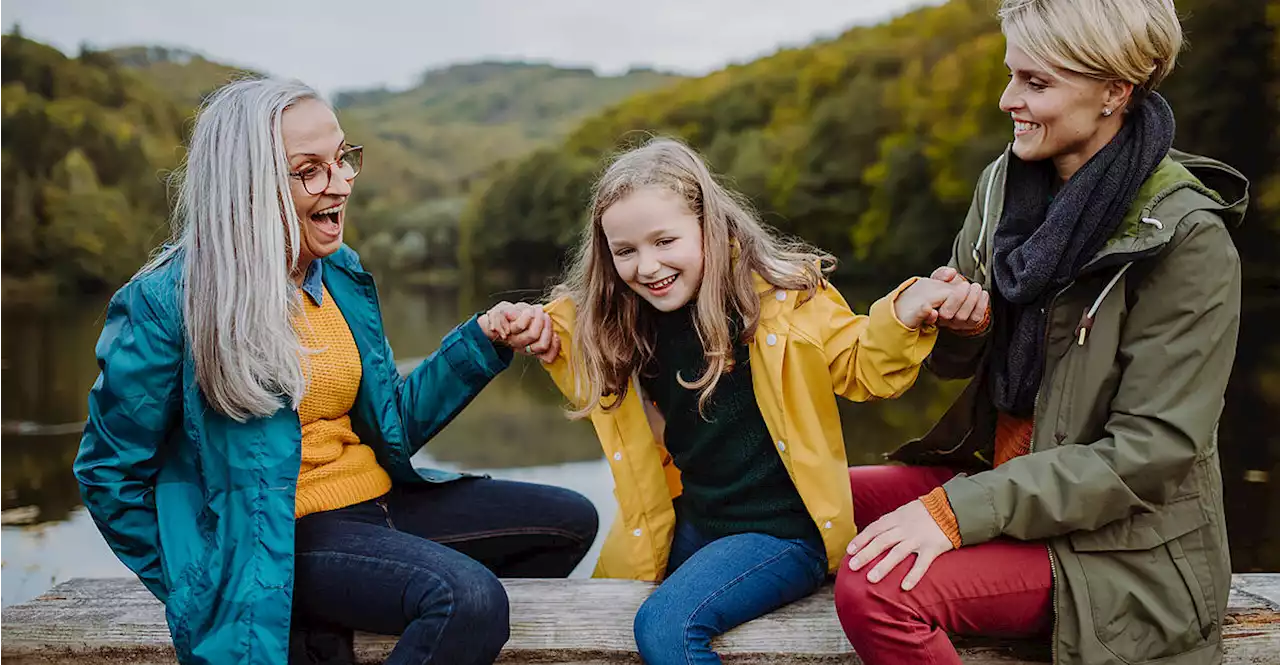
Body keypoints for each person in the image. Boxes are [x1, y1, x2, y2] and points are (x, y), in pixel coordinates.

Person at [72, 78, 598, 665]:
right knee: (467, 599)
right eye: (310, 170)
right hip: (279, 535)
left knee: (570, 522)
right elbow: (107, 475)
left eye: (343, 158)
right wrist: (203, 584)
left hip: (377, 504)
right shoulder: (171, 300)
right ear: (247, 183)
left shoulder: (338, 272)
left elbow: (390, 422)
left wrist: (481, 341)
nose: (341, 182)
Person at [833, 1, 1249, 664]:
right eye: (1010, 75)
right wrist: (962, 325)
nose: (1007, 101)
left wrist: (951, 514)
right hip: (1009, 482)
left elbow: (1149, 453)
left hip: (1120, 547)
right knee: (809, 497)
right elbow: (956, 367)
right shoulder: (1002, 186)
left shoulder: (1189, 238)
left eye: (1036, 83)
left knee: (876, 590)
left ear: (1116, 90)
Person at [528, 136, 982, 664]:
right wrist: (534, 331)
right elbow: (586, 371)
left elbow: (862, 366)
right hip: (693, 523)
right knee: (601, 609)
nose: (647, 266)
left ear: (709, 228)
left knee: (666, 628)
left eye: (665, 241)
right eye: (625, 251)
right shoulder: (626, 321)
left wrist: (904, 311)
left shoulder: (785, 299)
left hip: (781, 533)